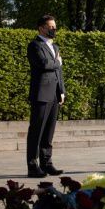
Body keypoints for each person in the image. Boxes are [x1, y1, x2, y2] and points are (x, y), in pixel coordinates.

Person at [26, 15, 66, 178]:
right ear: (41, 28)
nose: (53, 29)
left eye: (54, 26)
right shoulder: (34, 45)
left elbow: (58, 72)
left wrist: (61, 91)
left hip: (54, 95)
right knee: (36, 130)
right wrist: (58, 62)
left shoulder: (54, 47)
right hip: (41, 94)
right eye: (50, 27)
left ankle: (46, 163)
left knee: (49, 131)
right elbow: (43, 64)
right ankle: (32, 165)